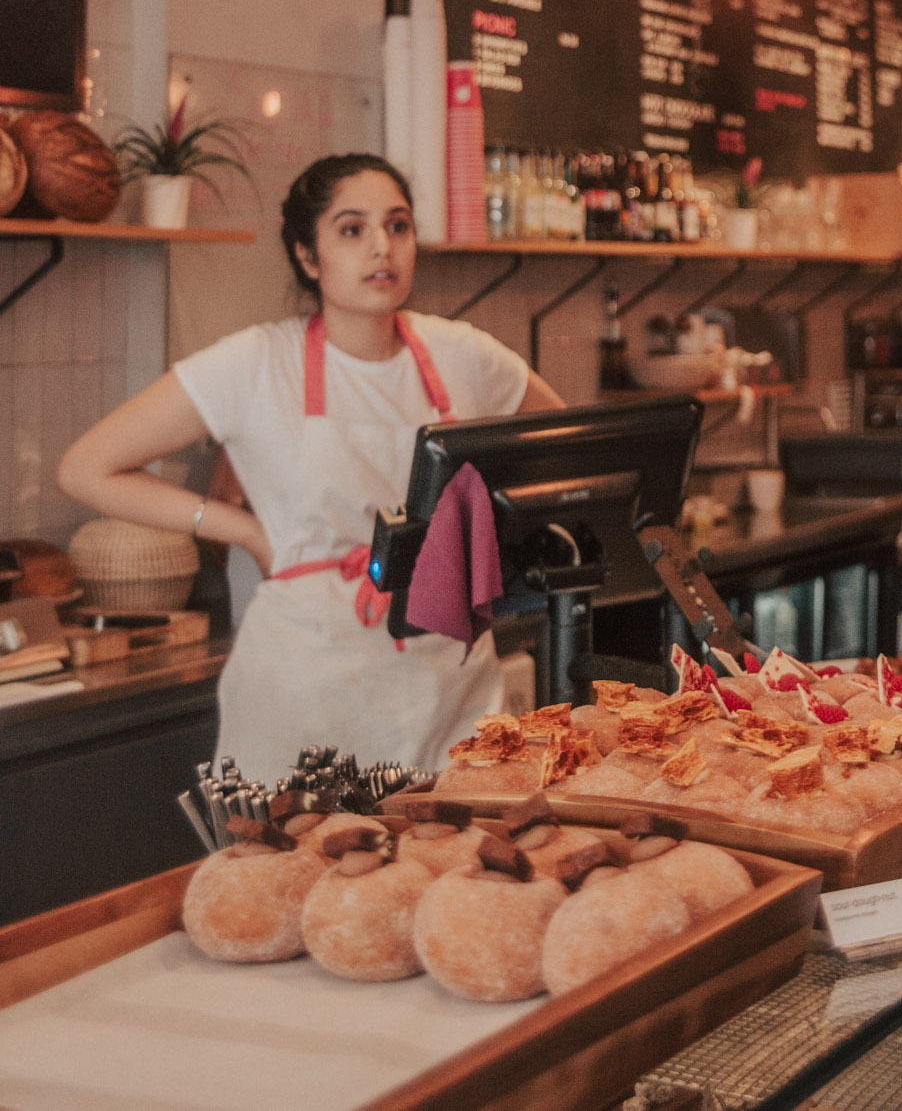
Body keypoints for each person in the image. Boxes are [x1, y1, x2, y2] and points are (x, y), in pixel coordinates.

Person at [59, 152, 564, 781]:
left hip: (449, 689)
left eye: (398, 226)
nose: (382, 247)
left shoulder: (465, 355)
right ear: (307, 255)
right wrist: (242, 530)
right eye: (352, 229)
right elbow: (87, 468)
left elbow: (568, 456)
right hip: (306, 698)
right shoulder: (255, 364)